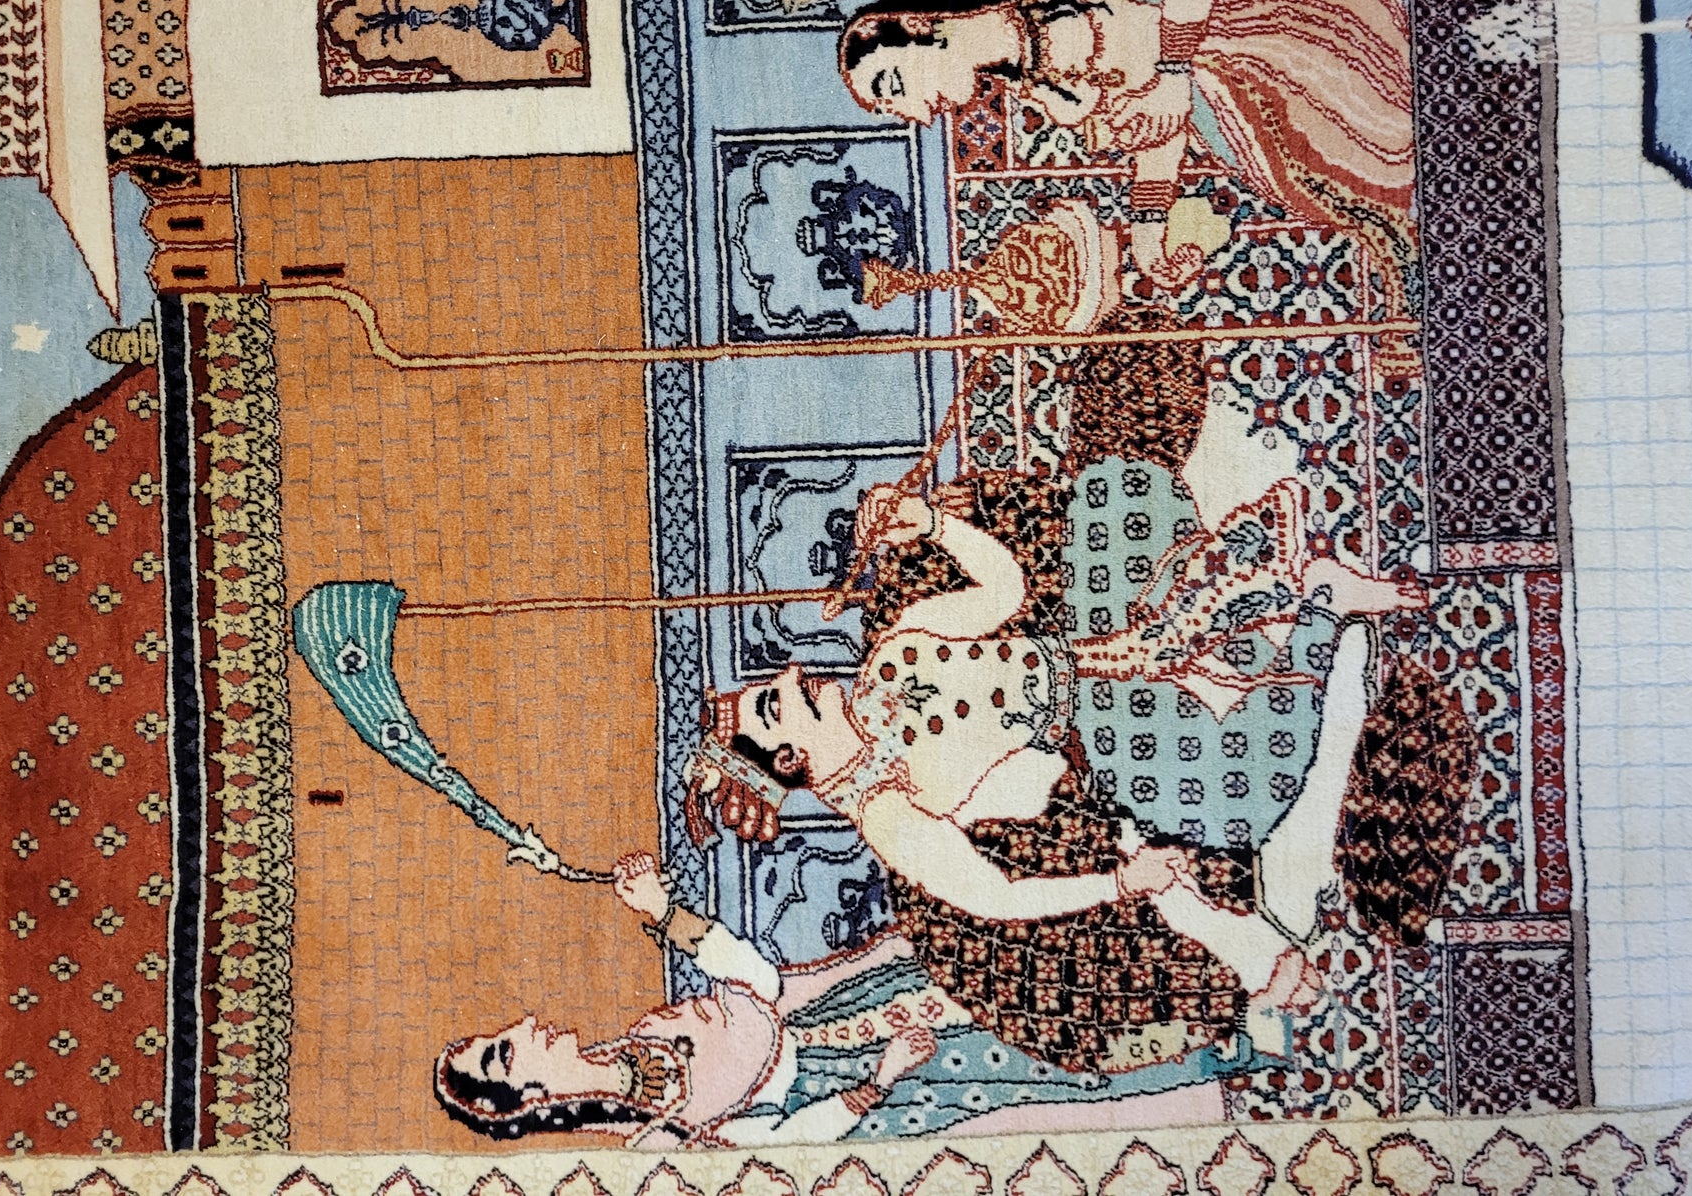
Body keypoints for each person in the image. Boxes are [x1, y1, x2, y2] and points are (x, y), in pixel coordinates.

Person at [685, 476, 1421, 1071]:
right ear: (790, 759)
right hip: (1108, 739)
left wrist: (933, 526)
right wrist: (1120, 884)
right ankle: (1326, 615)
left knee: (1145, 536)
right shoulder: (885, 810)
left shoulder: (891, 649)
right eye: (776, 703)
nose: (792, 672)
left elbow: (1003, 593)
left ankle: (1317, 611)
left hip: (1105, 652)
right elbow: (995, 894)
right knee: (1251, 777)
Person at [836, 0, 1417, 324]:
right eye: (895, 110)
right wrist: (1147, 235)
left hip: (1269, 26)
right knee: (1330, 186)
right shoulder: (1030, 87)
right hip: (1231, 105)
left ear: (917, 26)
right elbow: (1162, 126)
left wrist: (1174, 70)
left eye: (896, 86)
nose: (918, 113)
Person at [432, 853, 1249, 1144]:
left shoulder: (645, 1032)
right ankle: (1227, 1038)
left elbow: (755, 982)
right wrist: (881, 1080)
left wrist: (665, 914)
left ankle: (1213, 949)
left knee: (1017, 972)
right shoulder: (659, 1141)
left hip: (857, 1005)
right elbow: (786, 1144)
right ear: (525, 1095)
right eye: (502, 1051)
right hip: (889, 1083)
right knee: (1042, 1063)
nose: (521, 1026)